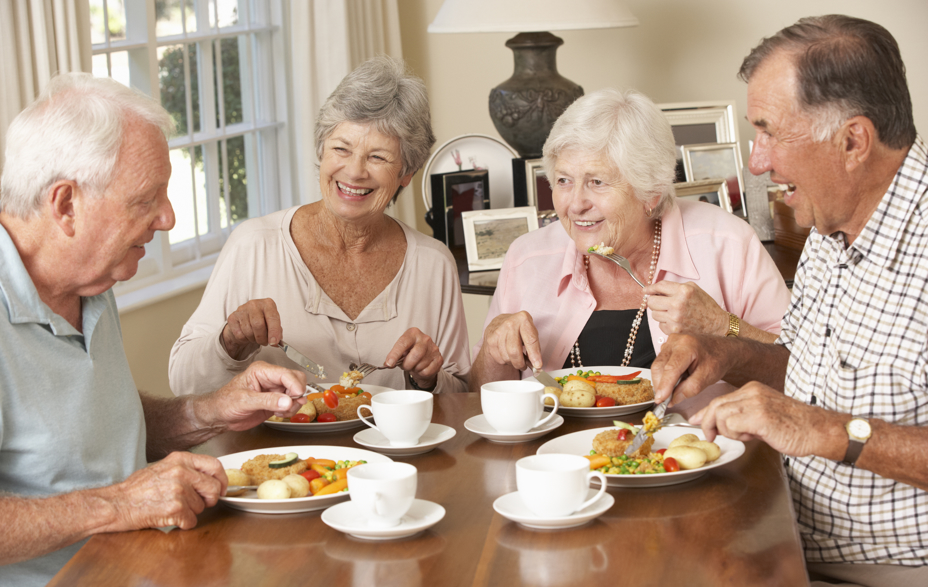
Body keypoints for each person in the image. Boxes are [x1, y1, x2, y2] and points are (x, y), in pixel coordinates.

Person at [0, 73, 310, 586]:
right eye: (146, 199)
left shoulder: (91, 279)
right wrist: (120, 504)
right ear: (66, 205)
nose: (167, 218)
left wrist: (209, 411)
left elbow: (100, 428)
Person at [651, 15, 928, 586]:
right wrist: (727, 354)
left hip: (889, 565)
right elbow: (809, 374)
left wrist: (827, 430)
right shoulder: (829, 221)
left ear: (853, 141)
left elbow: (818, 419)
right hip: (789, 530)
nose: (756, 162)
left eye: (770, 133)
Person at [170, 56, 470, 395]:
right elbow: (184, 383)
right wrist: (230, 342)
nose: (354, 172)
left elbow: (461, 399)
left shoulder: (433, 264)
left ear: (406, 173)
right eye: (341, 149)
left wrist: (427, 379)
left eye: (377, 157)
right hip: (276, 433)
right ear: (321, 150)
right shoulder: (254, 245)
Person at [470, 88, 790, 390]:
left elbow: (799, 369)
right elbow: (477, 398)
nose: (575, 204)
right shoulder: (527, 258)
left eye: (597, 182)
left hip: (696, 432)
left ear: (651, 192)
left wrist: (722, 326)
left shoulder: (729, 244)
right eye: (564, 180)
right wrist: (494, 350)